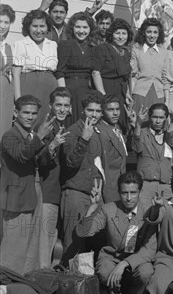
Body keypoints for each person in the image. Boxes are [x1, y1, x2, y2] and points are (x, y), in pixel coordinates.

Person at [76, 171, 157, 294]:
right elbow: (84, 232)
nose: (129, 198)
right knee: (105, 270)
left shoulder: (149, 213)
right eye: (124, 193)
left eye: (133, 193)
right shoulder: (108, 209)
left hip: (137, 259)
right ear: (119, 192)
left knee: (146, 272)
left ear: (140, 192)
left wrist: (125, 264)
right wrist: (92, 207)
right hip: (111, 257)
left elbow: (149, 250)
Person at [0, 95, 56, 274]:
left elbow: (38, 160)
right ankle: (7, 291)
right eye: (26, 112)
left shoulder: (31, 135)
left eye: (33, 113)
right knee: (13, 249)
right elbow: (22, 155)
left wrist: (51, 147)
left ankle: (24, 289)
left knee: (32, 249)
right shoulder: (9, 135)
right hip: (16, 198)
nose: (30, 117)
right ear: (16, 112)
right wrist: (39, 137)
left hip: (34, 191)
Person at [60, 90, 106, 264]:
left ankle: (86, 286)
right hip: (76, 193)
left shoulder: (99, 131)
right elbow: (71, 162)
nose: (94, 114)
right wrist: (84, 139)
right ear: (82, 111)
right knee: (74, 244)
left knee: (94, 241)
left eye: (97, 111)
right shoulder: (73, 131)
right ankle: (68, 286)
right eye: (90, 110)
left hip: (95, 195)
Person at [37, 87, 72, 268]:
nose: (62, 109)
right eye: (58, 105)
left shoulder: (65, 126)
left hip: (61, 194)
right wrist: (52, 146)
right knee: (44, 244)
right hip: (47, 193)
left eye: (66, 105)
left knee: (54, 244)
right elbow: (38, 161)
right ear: (51, 106)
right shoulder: (45, 127)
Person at [12, 9, 58, 123]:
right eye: (34, 26)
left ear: (47, 27)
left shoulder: (52, 45)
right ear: (28, 27)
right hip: (29, 86)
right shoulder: (21, 44)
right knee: (29, 120)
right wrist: (18, 100)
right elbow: (16, 74)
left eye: (42, 26)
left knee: (47, 121)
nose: (38, 30)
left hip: (50, 88)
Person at [55, 12, 97, 124]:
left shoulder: (92, 48)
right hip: (70, 91)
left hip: (87, 93)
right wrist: (65, 98)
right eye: (78, 27)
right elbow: (59, 72)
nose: (81, 31)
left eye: (85, 27)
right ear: (72, 28)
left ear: (90, 29)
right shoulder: (66, 45)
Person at [92, 18, 133, 131]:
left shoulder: (126, 53)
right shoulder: (102, 48)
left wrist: (128, 93)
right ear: (111, 34)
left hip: (121, 93)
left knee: (120, 123)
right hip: (106, 89)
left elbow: (126, 76)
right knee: (106, 121)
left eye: (124, 33)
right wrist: (103, 95)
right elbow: (96, 72)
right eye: (117, 33)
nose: (121, 37)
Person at [131, 103, 173, 209]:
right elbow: (136, 146)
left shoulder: (168, 136)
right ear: (150, 117)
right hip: (146, 185)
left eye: (161, 117)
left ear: (166, 118)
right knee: (144, 219)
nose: (158, 121)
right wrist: (138, 124)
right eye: (155, 117)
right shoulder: (142, 133)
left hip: (165, 187)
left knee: (166, 217)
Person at [131, 18, 168, 116]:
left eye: (155, 32)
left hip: (159, 95)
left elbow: (165, 78)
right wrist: (129, 94)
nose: (152, 35)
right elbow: (133, 75)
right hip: (140, 94)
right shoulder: (136, 49)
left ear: (159, 34)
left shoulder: (164, 52)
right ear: (143, 33)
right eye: (149, 32)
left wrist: (167, 99)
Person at [98, 95, 131, 204]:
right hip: (109, 186)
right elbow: (104, 164)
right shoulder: (101, 131)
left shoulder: (117, 128)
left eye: (117, 109)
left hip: (120, 185)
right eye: (111, 110)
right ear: (102, 112)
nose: (115, 113)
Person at [0, 4, 16, 138]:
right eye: (0, 21)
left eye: (6, 22)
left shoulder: (8, 47)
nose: (2, 26)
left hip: (5, 97)